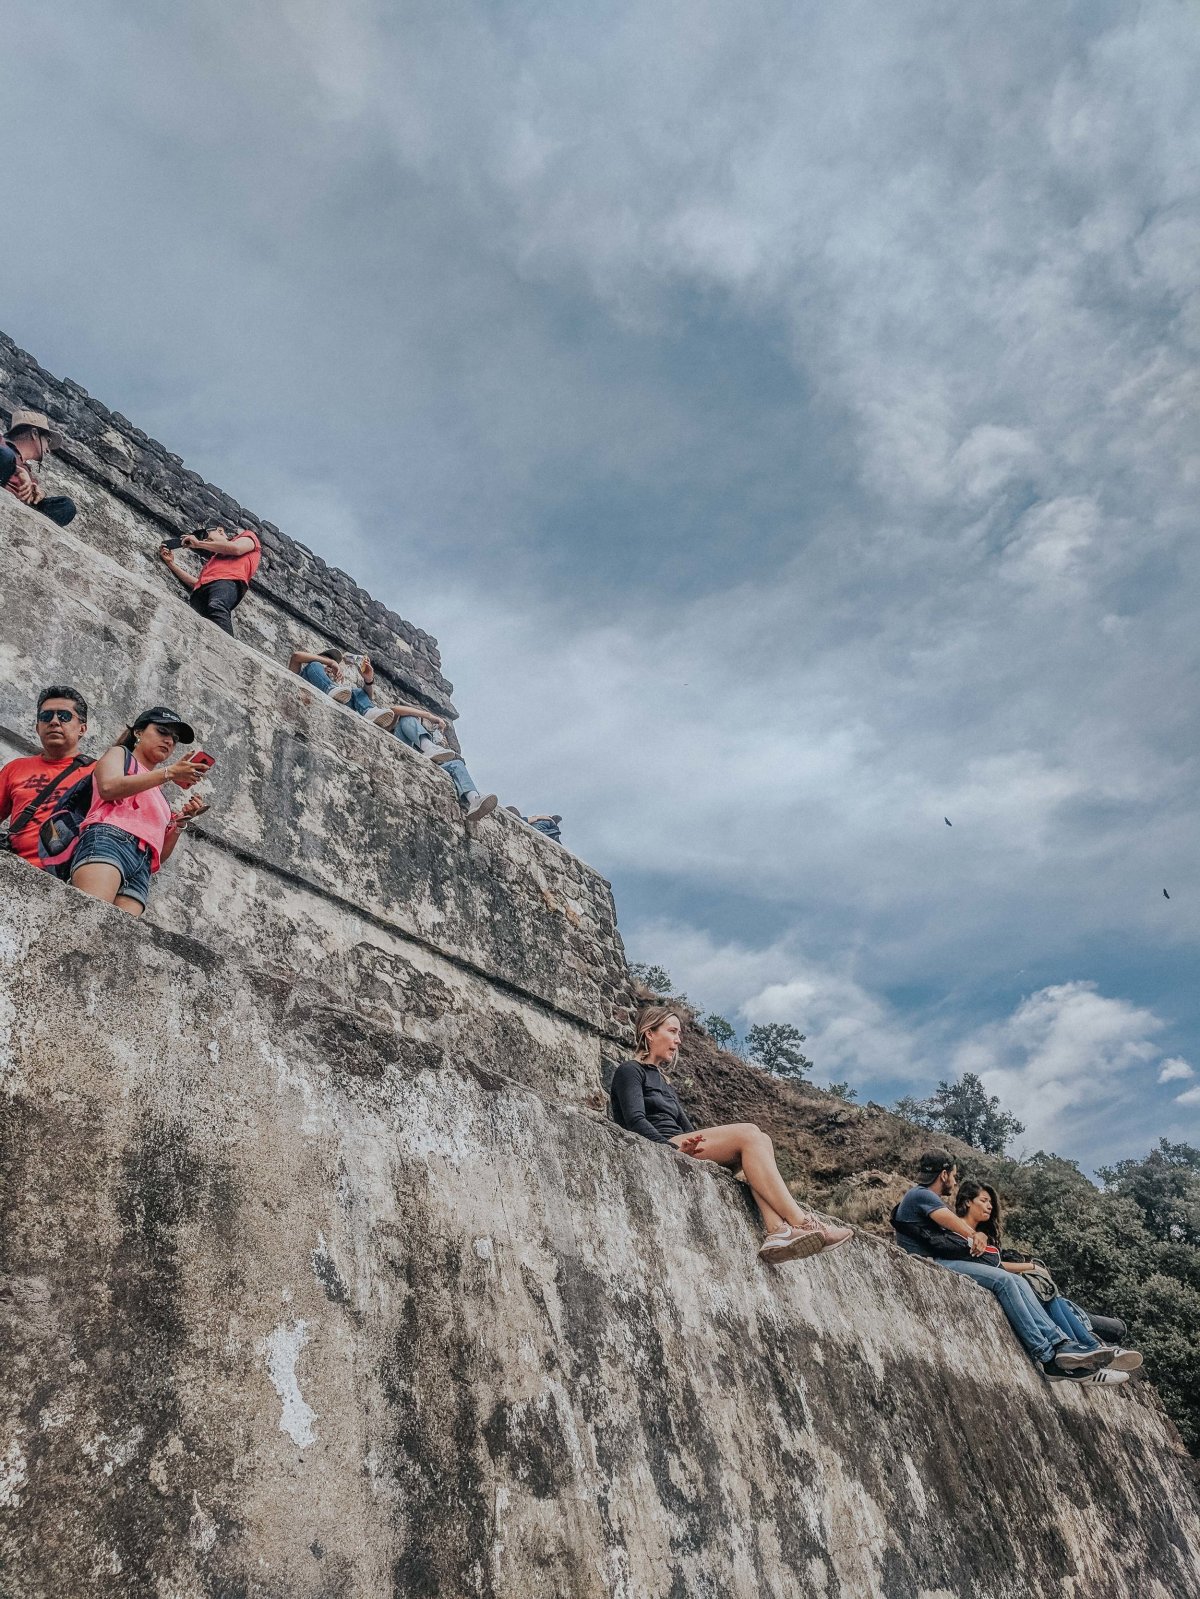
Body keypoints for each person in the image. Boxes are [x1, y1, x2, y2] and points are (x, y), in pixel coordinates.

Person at [610, 1005, 854, 1264]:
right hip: (661, 1144)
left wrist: (692, 1148)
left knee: (763, 1139)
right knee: (749, 1132)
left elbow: (688, 1129)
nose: (678, 1040)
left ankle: (777, 1231)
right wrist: (670, 1148)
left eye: (679, 1034)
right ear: (649, 1033)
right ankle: (804, 1223)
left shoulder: (666, 1084)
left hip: (680, 1145)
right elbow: (634, 1120)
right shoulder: (630, 1070)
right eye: (672, 1032)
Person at [892, 1153, 1116, 1383]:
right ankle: (1048, 1355)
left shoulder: (922, 1197)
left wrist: (977, 1235)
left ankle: (1061, 1344)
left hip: (937, 1260)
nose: (955, 1182)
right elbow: (954, 1224)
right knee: (1005, 1281)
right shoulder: (922, 1195)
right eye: (954, 1176)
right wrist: (974, 1234)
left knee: (1017, 1280)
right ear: (944, 1175)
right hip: (930, 1263)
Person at [954, 1179, 1141, 1383]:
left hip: (1014, 1283)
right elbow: (994, 1267)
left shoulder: (983, 1236)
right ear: (967, 1202)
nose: (989, 1206)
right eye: (984, 1200)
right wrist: (1031, 1267)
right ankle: (1088, 1351)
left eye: (991, 1202)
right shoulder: (957, 1229)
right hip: (1002, 1282)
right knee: (1046, 1294)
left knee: (1053, 1296)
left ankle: (1089, 1353)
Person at [69, 706, 209, 916]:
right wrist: (169, 772)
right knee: (90, 917)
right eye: (162, 732)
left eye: (174, 738)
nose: (169, 741)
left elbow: (160, 853)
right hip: (110, 842)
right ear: (139, 732)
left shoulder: (159, 793)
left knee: (116, 938)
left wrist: (180, 823)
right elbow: (108, 788)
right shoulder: (120, 755)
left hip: (142, 864)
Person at [0, 687, 95, 865]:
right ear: (37, 728)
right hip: (14, 865)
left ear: (82, 728)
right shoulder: (15, 768)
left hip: (67, 875)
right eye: (46, 716)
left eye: (64, 716)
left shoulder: (98, 772)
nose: (54, 722)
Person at [390, 705, 498, 824]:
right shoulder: (404, 722)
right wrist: (428, 716)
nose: (419, 723)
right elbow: (395, 709)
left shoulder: (425, 736)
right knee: (408, 718)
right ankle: (429, 749)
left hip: (423, 759)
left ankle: (474, 800)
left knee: (457, 764)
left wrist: (438, 732)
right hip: (403, 750)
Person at [159, 523, 263, 637]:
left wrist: (199, 543)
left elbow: (236, 549)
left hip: (228, 582)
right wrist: (171, 564)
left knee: (217, 605)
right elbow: (198, 584)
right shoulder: (214, 560)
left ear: (220, 531)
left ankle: (227, 648)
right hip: (200, 596)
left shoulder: (248, 536)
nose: (208, 542)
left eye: (208, 538)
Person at [0, 409, 77, 526]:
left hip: (20, 511)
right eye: (48, 440)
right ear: (34, 433)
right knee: (5, 455)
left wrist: (38, 496)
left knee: (66, 505)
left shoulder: (28, 473)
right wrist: (16, 469)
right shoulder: (2, 443)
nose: (48, 450)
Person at [288, 648, 397, 729]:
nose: (330, 667)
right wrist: (330, 662)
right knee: (314, 665)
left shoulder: (341, 694)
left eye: (332, 665)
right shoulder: (304, 673)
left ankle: (369, 711)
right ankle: (329, 688)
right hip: (310, 693)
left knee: (358, 692)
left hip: (333, 696)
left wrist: (368, 680)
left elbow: (365, 697)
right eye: (325, 661)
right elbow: (296, 656)